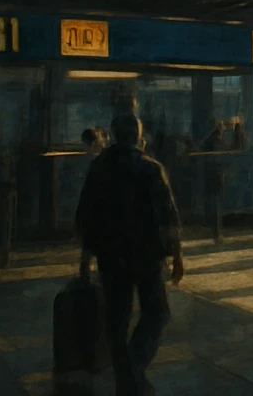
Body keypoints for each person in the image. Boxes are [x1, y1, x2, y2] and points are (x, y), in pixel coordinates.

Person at [76, 112, 183, 396]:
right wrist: (177, 255)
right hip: (146, 255)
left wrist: (86, 254)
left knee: (117, 317)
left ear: (112, 134)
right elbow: (167, 216)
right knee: (157, 311)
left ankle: (126, 373)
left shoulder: (100, 166)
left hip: (110, 255)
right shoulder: (150, 168)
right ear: (139, 137)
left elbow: (87, 212)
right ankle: (134, 366)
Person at [200, 120, 227, 243]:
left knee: (213, 203)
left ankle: (215, 230)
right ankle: (217, 232)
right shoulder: (217, 141)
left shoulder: (209, 140)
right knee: (216, 204)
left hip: (210, 175)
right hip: (217, 175)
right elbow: (221, 158)